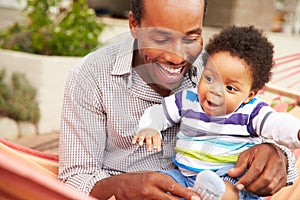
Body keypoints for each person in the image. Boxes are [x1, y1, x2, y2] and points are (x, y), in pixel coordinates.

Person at [58, 0, 298, 199]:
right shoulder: (93, 75)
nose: (177, 57)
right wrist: (122, 187)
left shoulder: (219, 70)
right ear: (134, 25)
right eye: (161, 39)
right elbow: (75, 178)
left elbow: (259, 122)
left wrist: (278, 155)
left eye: (191, 38)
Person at [132, 25, 300, 200]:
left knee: (231, 189)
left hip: (230, 177)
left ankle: (215, 194)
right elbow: (160, 112)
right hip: (184, 176)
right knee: (159, 181)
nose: (215, 91)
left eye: (230, 88)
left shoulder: (252, 112)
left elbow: (278, 124)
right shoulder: (188, 99)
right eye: (210, 78)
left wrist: (297, 132)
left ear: (249, 95)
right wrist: (150, 127)